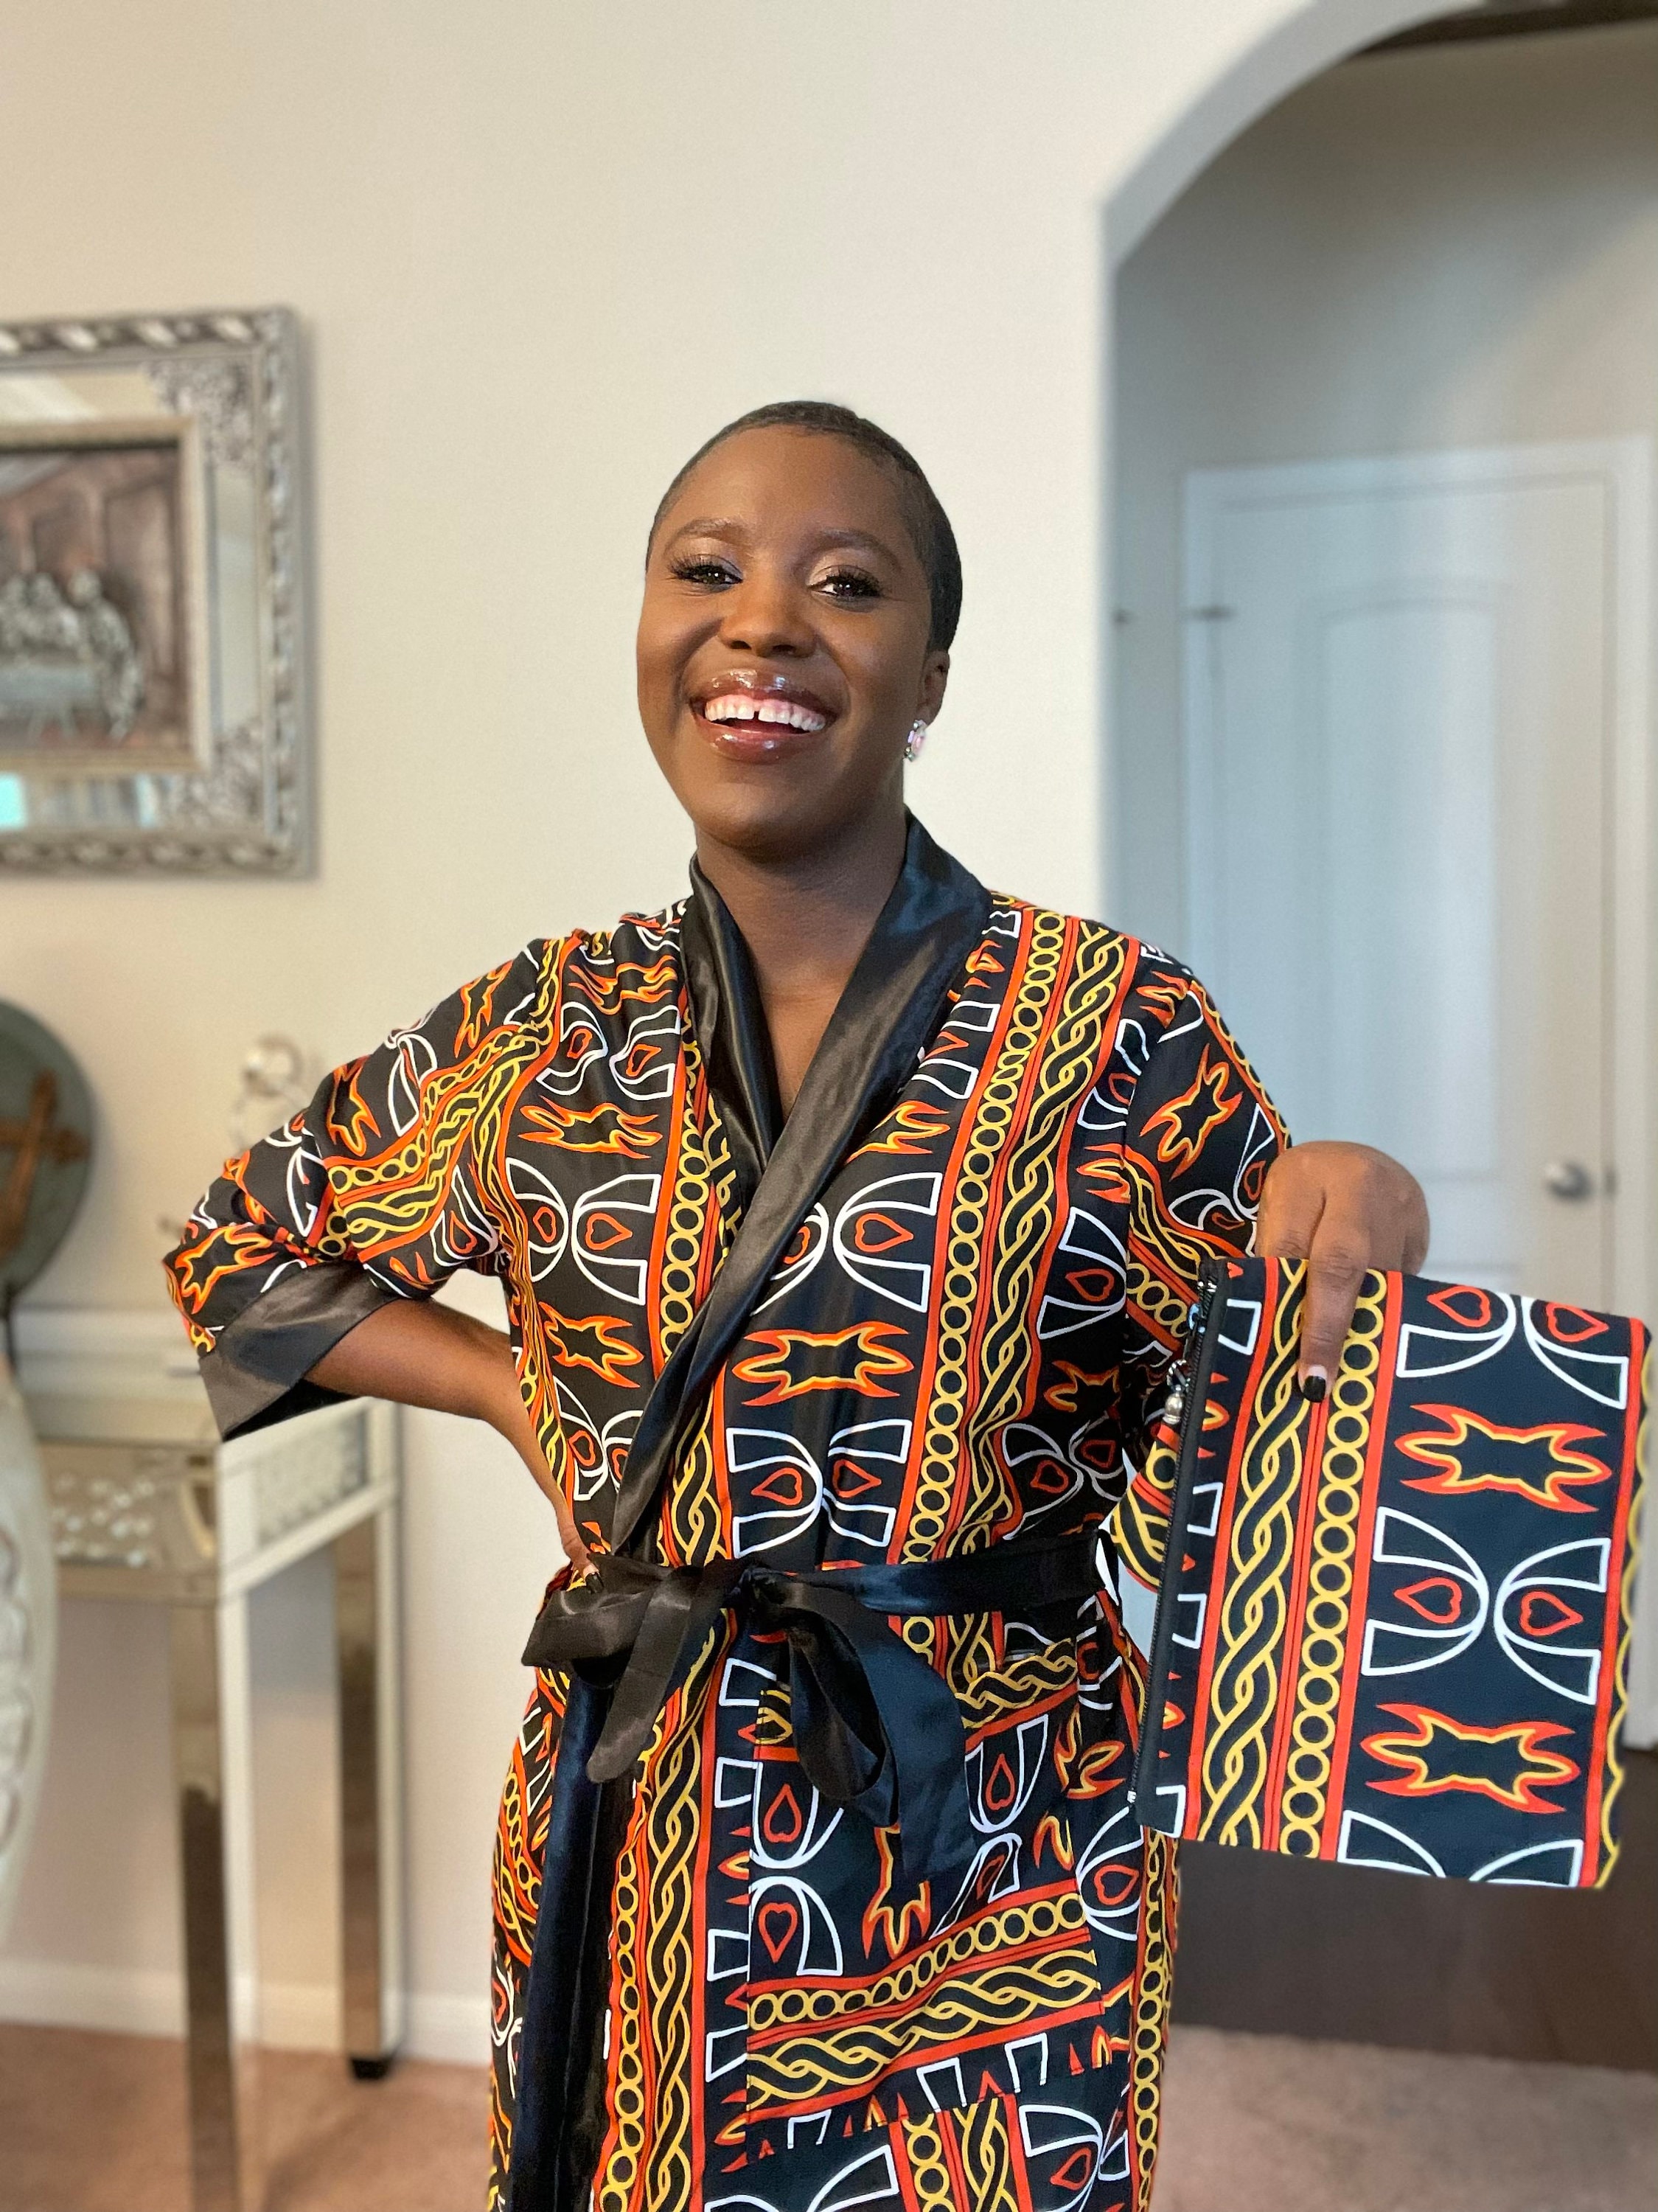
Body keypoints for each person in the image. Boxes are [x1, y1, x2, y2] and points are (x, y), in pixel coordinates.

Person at [164, 402, 1429, 2212]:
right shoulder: (546, 1024)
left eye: (846, 584)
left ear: (929, 680)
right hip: (641, 1801)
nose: (761, 620)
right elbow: (241, 1254)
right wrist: (520, 1393)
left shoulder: (1111, 1027)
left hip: (991, 1819)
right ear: (649, 634)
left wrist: (1360, 1206)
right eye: (707, 569)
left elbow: (1249, 1469)